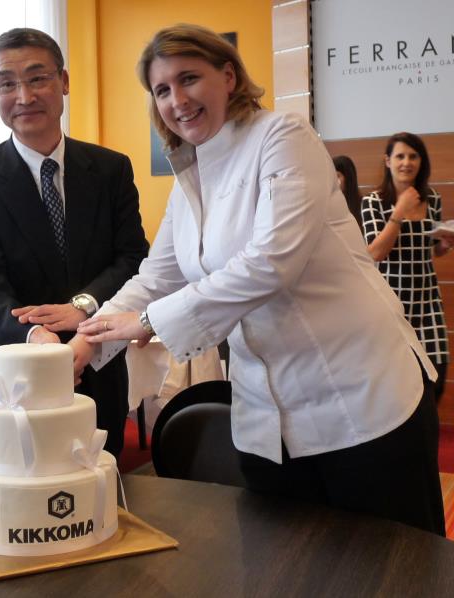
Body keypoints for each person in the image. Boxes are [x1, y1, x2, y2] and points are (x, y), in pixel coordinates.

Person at [73, 24, 445, 535]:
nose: (176, 99)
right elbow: (156, 276)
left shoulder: (284, 136)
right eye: (162, 89)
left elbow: (270, 262)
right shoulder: (190, 179)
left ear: (228, 76)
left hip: (360, 398)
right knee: (288, 572)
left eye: (189, 78)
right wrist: (85, 344)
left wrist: (146, 322)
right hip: (265, 418)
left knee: (392, 571)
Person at [0, 28, 148, 458]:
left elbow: (132, 257)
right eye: (7, 83)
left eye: (37, 78)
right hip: (15, 372)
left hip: (96, 361)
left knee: (98, 494)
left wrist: (84, 307)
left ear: (64, 81)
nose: (23, 95)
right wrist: (37, 337)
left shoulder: (110, 169)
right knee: (15, 505)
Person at [362, 132, 452, 403]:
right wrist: (399, 212)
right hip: (391, 307)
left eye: (413, 156)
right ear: (387, 161)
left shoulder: (432, 198)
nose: (406, 162)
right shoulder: (373, 202)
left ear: (421, 162)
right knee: (397, 387)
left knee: (435, 380)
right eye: (400, 156)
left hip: (428, 304)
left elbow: (430, 248)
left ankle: (427, 442)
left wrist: (444, 245)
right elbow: (376, 253)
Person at [333, 155, 362, 228]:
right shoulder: (329, 206)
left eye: (337, 176)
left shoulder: (363, 205)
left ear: (348, 178)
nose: (333, 181)